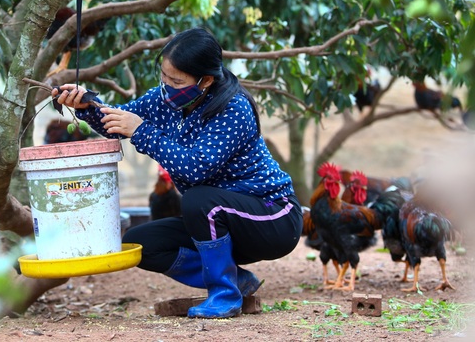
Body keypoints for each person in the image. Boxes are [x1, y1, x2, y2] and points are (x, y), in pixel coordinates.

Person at [52, 26, 302, 319]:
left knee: (198, 201)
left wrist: (142, 131)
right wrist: (87, 106)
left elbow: (195, 168)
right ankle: (236, 280)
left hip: (272, 218)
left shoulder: (233, 108)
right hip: (221, 218)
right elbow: (119, 120)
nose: (166, 84)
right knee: (143, 244)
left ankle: (225, 295)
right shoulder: (165, 100)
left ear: (205, 80)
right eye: (164, 75)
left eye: (176, 79)